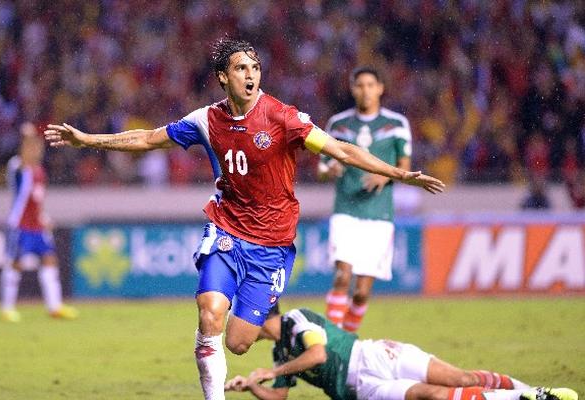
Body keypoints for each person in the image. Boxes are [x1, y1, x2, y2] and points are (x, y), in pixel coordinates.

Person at [44, 38, 444, 400]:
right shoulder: (207, 120)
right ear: (223, 77)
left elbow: (340, 149)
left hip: (272, 245)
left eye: (255, 68)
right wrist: (88, 140)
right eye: (241, 68)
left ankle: (300, 332)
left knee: (238, 342)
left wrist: (398, 173)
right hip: (226, 228)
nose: (250, 75)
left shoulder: (284, 118)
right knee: (210, 311)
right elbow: (149, 138)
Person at [225, 305, 578, 400]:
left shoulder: (297, 319)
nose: (238, 331)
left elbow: (318, 355)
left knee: (462, 378)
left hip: (373, 356)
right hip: (361, 390)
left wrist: (273, 373)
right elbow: (279, 398)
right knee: (434, 396)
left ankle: (530, 391)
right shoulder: (279, 356)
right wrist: (252, 386)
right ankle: (526, 399)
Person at [319, 67, 412, 332]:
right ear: (352, 88)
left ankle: (346, 343)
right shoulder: (338, 124)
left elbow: (405, 167)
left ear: (381, 88)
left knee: (360, 293)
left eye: (371, 85)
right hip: (345, 211)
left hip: (379, 215)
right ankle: (331, 344)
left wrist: (385, 176)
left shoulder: (396, 125)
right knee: (342, 277)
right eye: (360, 85)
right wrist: (330, 169)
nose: (366, 90)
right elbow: (322, 167)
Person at [0, 122, 78, 322]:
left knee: (50, 260)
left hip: (37, 225)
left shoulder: (40, 171)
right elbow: (23, 190)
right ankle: (7, 309)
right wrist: (27, 136)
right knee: (15, 263)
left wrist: (44, 218)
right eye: (33, 146)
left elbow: (37, 200)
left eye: (38, 146)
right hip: (20, 224)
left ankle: (55, 306)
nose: (37, 150)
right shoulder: (17, 166)